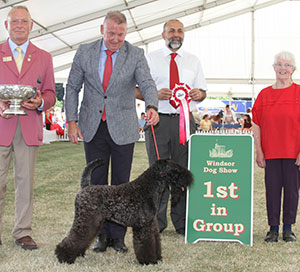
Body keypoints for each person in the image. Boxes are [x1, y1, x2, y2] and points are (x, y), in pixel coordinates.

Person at [65, 11, 159, 253]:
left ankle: (117, 237)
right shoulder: (84, 51)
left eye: (120, 34)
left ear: (125, 32)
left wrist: (151, 106)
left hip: (124, 128)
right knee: (95, 185)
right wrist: (72, 121)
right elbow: (73, 87)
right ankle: (98, 236)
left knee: (122, 186)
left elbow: (147, 83)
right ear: (101, 30)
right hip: (92, 126)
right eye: (111, 34)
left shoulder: (136, 54)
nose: (115, 39)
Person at [137, 19, 207, 235]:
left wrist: (199, 94)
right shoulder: (149, 59)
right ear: (163, 35)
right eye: (171, 31)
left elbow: (203, 92)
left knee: (182, 173)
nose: (176, 34)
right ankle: (157, 222)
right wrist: (154, 95)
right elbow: (135, 90)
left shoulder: (193, 61)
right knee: (157, 173)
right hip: (157, 121)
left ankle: (182, 222)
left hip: (184, 123)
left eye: (179, 31)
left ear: (183, 34)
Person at [0, 6, 56, 250]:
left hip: (28, 125)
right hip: (2, 124)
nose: (20, 25)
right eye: (15, 21)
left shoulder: (44, 57)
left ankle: (22, 232)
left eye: (24, 21)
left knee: (25, 183)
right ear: (6, 25)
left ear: (32, 26)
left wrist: (40, 102)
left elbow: (51, 94)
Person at [252, 51, 300, 243]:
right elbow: (256, 124)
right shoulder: (264, 95)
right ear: (274, 68)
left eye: (287, 65)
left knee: (292, 191)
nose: (283, 68)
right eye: (279, 64)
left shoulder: (299, 92)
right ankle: (273, 228)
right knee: (271, 191)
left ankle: (288, 228)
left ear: (293, 69)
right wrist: (259, 150)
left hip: (293, 153)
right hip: (270, 152)